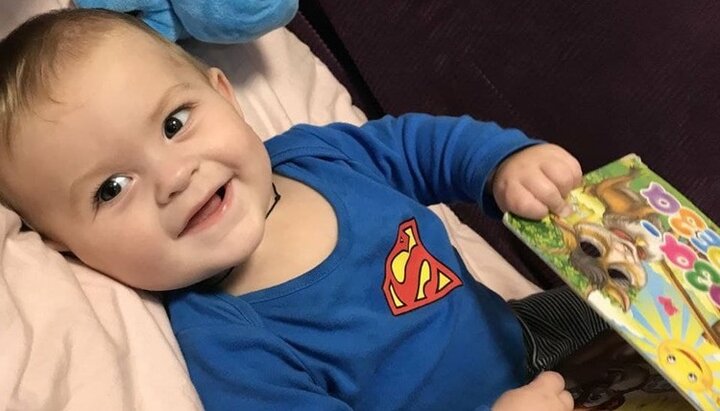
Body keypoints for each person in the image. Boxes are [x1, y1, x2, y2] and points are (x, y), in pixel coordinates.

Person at [0, 8, 607, 411]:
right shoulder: (227, 342)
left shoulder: (314, 155)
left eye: (175, 124)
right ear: (66, 246)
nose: (174, 177)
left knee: (636, 305)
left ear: (224, 95)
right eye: (112, 187)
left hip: (525, 332)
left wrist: (501, 163)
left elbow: (418, 147)